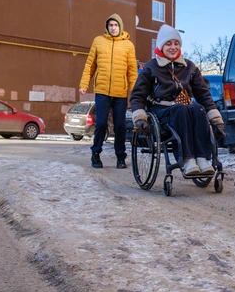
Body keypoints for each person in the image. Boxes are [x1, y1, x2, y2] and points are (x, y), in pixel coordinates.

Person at [130, 24, 225, 176]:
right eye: (168, 44)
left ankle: (202, 159)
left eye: (176, 43)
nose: (173, 47)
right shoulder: (151, 67)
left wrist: (216, 119)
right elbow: (137, 95)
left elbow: (203, 94)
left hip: (185, 110)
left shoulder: (190, 67)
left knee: (197, 108)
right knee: (180, 109)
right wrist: (139, 117)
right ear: (161, 46)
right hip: (161, 111)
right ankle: (187, 160)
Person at [79, 13, 138, 169]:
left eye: (116, 25)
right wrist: (84, 84)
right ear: (107, 27)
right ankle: (96, 154)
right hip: (102, 90)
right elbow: (90, 65)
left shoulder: (128, 45)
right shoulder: (98, 41)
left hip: (120, 92)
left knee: (120, 126)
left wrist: (135, 93)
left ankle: (120, 157)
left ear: (120, 27)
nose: (113, 28)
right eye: (111, 25)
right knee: (101, 124)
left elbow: (132, 71)